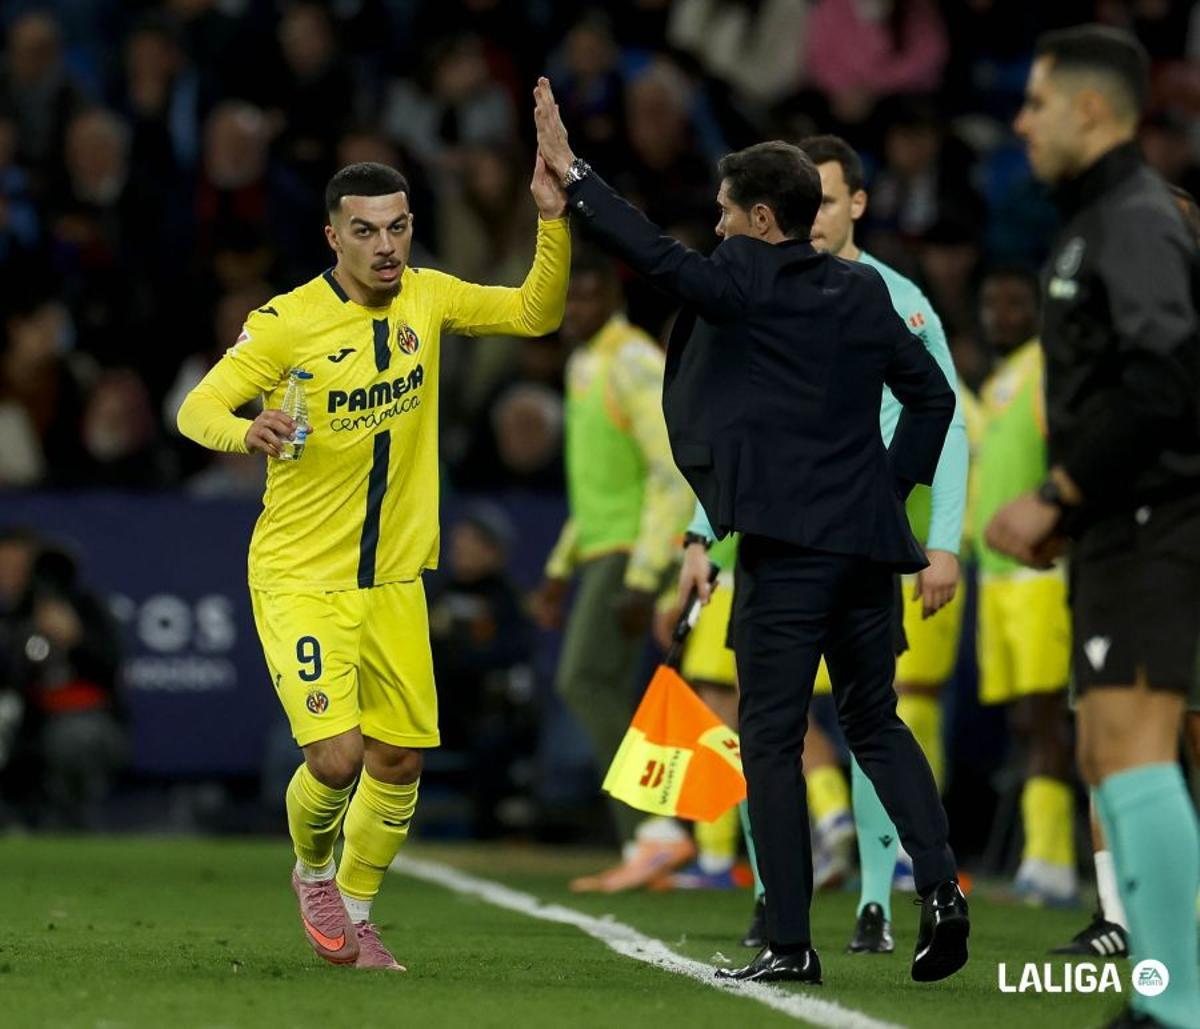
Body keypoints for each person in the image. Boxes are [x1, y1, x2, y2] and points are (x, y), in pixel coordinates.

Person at [533, 78, 967, 985]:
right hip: (864, 549)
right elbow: (932, 397)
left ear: (765, 219)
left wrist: (574, 176)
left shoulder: (746, 276)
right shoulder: (861, 293)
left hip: (785, 551)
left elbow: (656, 257)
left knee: (767, 738)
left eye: (728, 214)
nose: (718, 229)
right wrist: (888, 492)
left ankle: (789, 941)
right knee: (875, 719)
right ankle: (941, 888)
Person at [178, 151, 570, 971]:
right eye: (365, 231)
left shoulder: (429, 296)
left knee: (397, 758)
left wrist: (551, 217)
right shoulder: (287, 322)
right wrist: (243, 430)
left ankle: (356, 914)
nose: (385, 245)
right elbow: (197, 406)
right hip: (299, 575)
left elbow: (536, 313)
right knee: (337, 755)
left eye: (397, 228)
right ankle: (313, 873)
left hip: (394, 577)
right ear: (333, 236)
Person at [684, 134, 972, 954]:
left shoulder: (891, 295)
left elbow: (942, 419)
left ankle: (860, 905)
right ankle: (841, 894)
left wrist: (936, 534)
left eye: (832, 198)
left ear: (852, 207)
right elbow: (749, 425)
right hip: (850, 537)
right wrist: (703, 530)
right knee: (864, 718)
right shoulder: (787, 291)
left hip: (821, 537)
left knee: (780, 729)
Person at [988, 25, 1200, 1029]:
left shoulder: (1135, 219)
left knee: (1139, 740)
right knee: (1111, 746)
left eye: (1035, 102)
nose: (1020, 121)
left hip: (1155, 519)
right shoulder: (1096, 221)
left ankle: (1180, 1003)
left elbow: (1168, 383)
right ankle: (1160, 994)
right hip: (1122, 521)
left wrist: (1061, 492)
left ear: (1090, 109)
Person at [530, 248, 695, 891]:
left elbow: (670, 469)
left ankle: (654, 834)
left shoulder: (631, 361)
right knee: (605, 690)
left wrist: (644, 575)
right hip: (605, 550)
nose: (575, 310)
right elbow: (599, 487)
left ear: (613, 300)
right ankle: (655, 841)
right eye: (569, 299)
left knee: (582, 683)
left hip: (631, 555)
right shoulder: (584, 364)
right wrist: (559, 567)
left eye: (588, 297)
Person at [971, 267, 1079, 911]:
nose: (999, 314)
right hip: (998, 574)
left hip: (1040, 574)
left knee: (1047, 717)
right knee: (1023, 719)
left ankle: (1055, 862)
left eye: (1013, 303)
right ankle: (1043, 859)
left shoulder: (1048, 369)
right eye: (990, 303)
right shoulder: (997, 382)